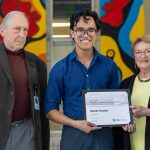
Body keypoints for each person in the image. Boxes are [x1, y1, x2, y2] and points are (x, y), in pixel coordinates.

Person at [44, 9, 119, 150]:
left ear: (97, 33)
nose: (86, 35)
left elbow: (117, 103)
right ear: (72, 33)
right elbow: (49, 110)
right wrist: (76, 124)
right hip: (73, 134)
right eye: (80, 30)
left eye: (91, 30)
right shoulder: (60, 69)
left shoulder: (110, 66)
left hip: (103, 135)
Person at [0, 11, 50, 150]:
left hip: (26, 132)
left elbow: (42, 107)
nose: (22, 34)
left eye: (25, 30)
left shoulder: (37, 63)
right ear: (3, 30)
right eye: (17, 29)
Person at [115, 35, 150, 150]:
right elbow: (118, 115)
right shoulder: (125, 84)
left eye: (148, 51)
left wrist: (146, 111)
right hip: (131, 145)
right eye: (138, 52)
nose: (143, 56)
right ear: (134, 57)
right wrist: (123, 123)